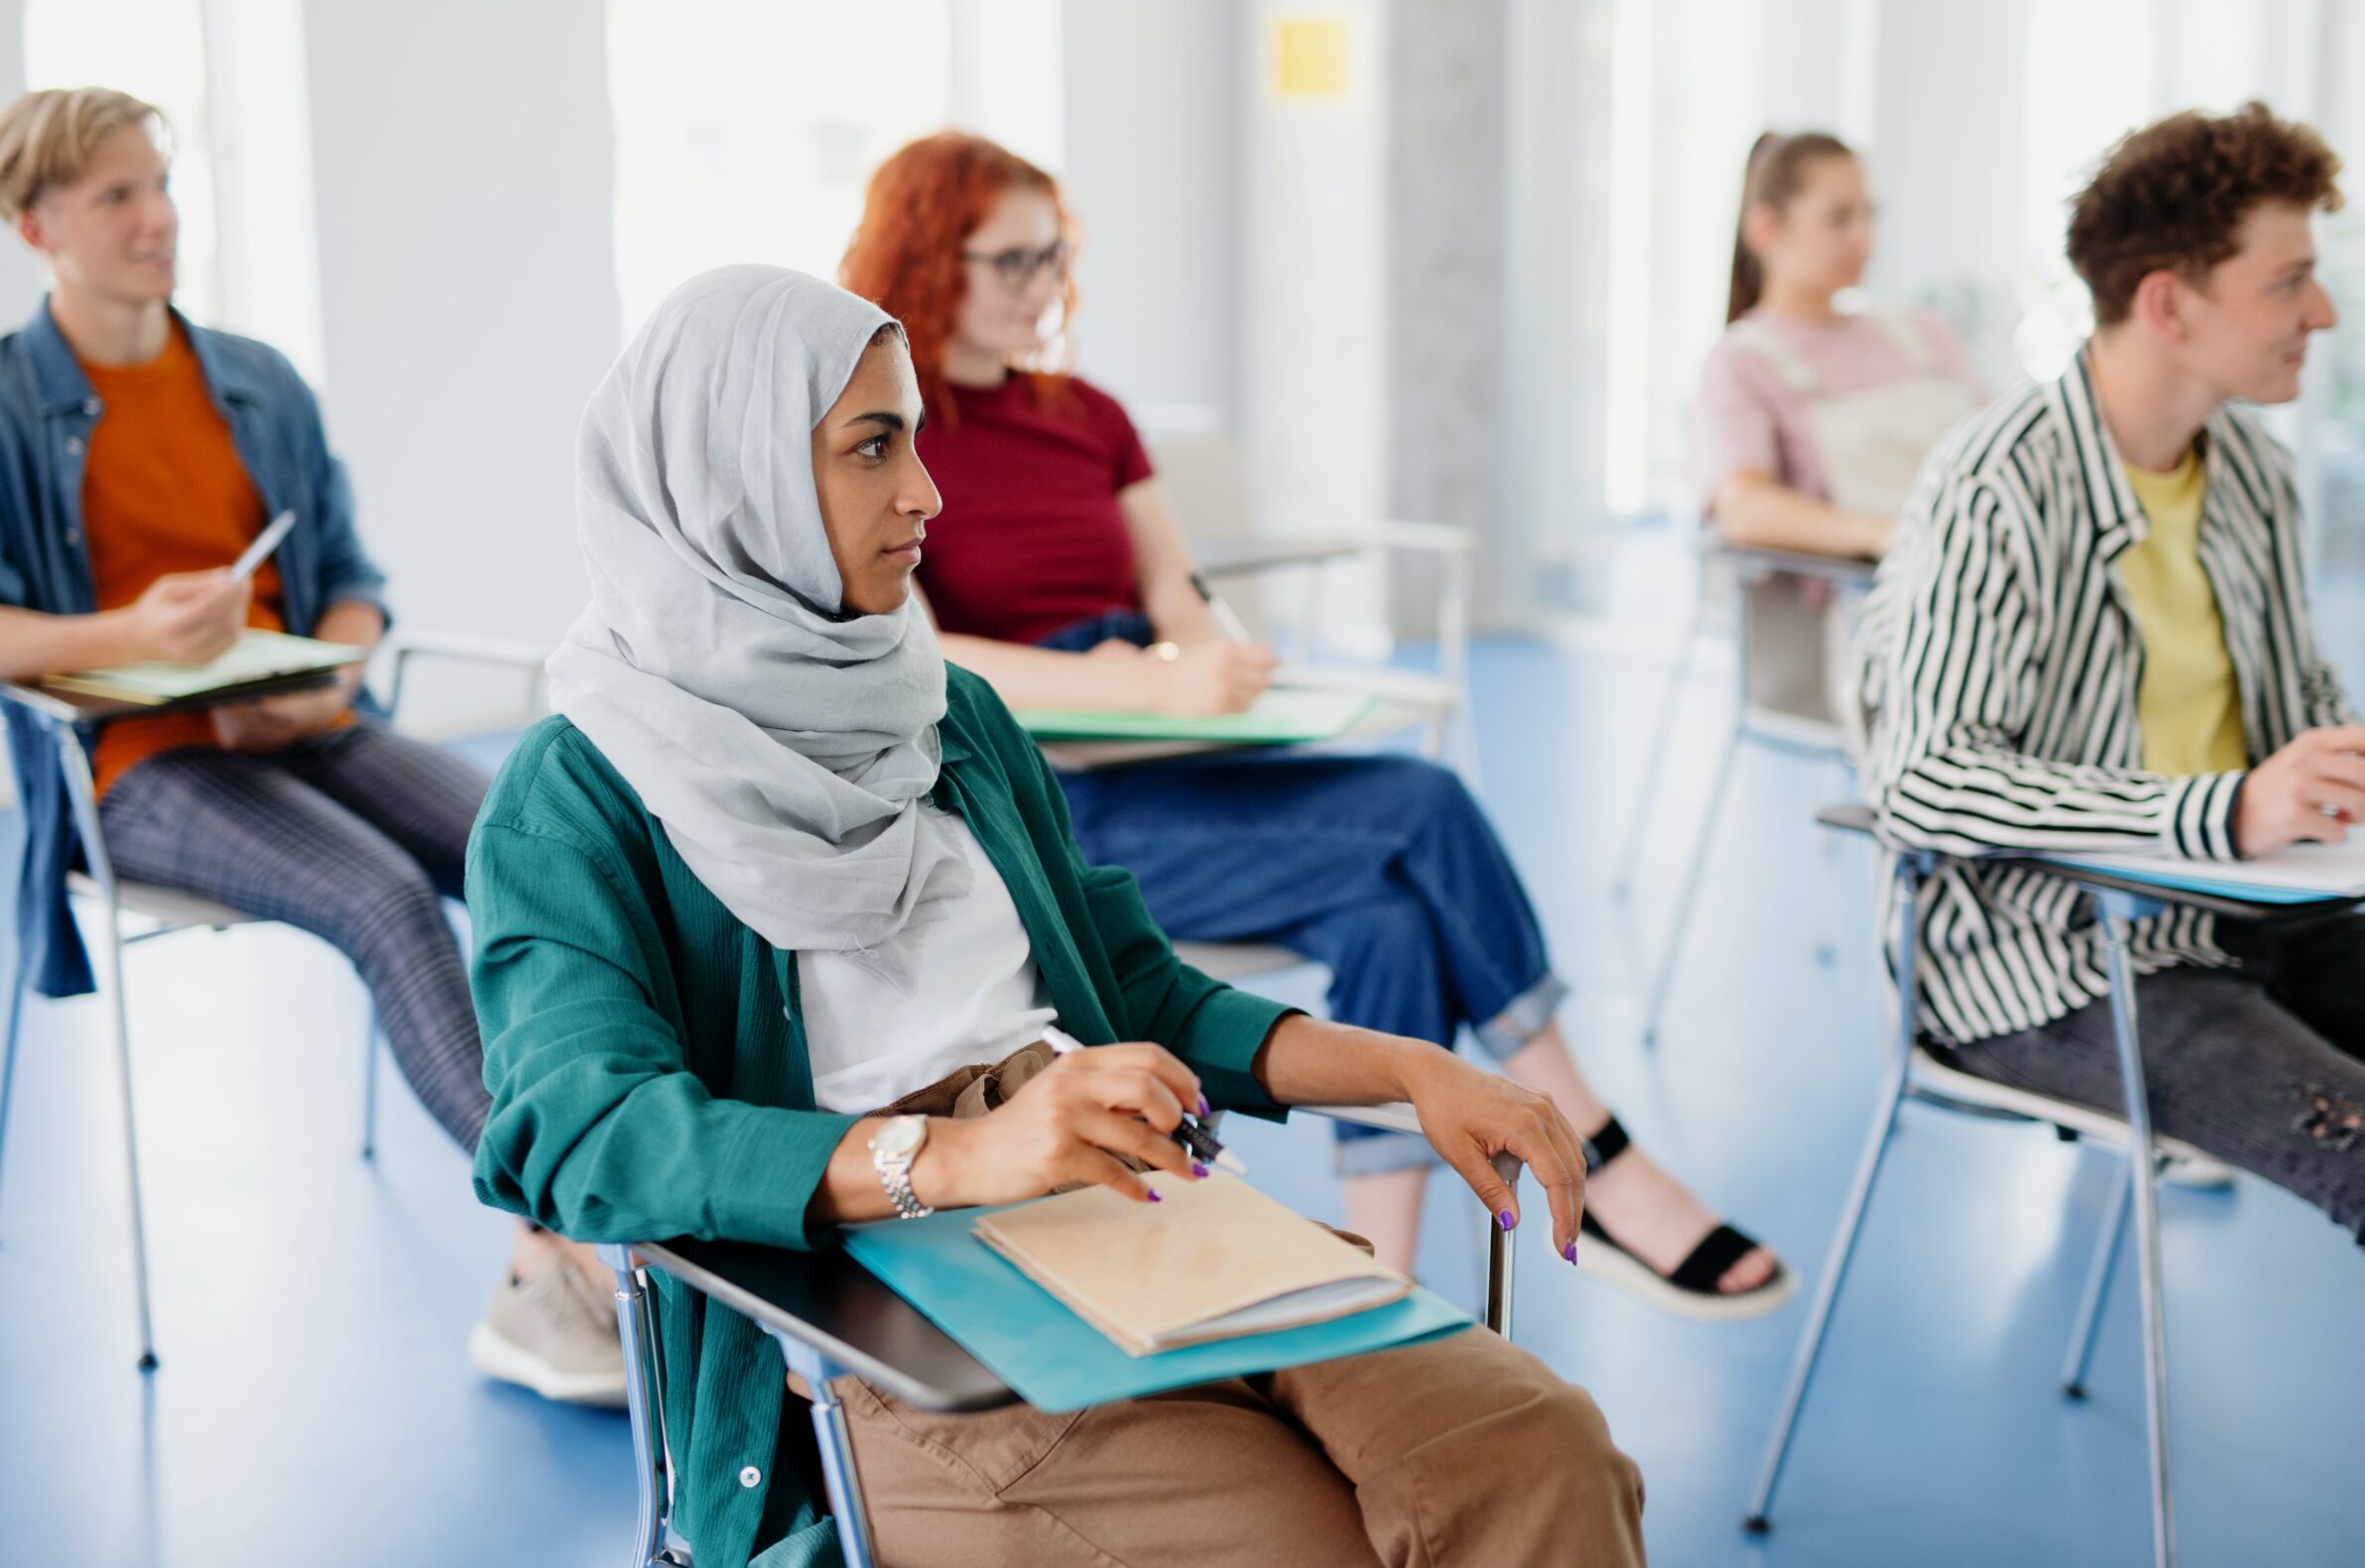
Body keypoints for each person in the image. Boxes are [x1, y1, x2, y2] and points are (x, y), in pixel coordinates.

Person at [467, 265, 1649, 1567]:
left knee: (1546, 1451)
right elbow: (574, 1132)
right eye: (873, 446)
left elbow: (1141, 994)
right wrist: (956, 1156)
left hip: (1146, 1217)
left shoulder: (946, 710)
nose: (925, 490)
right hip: (888, 1323)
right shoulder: (577, 791)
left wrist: (1409, 1067)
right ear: (729, 477)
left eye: (913, 435)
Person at [835, 130, 1789, 1315]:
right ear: (928, 259)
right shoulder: (889, 433)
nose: (1044, 284)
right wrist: (1145, 684)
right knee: (1423, 806)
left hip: (1170, 770)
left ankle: (1383, 1285)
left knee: (1390, 916)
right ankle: (1591, 1142)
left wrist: (1208, 655)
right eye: (1012, 259)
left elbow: (1174, 591)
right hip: (1041, 809)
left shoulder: (1092, 416)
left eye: (1055, 254)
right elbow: (914, 656)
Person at [1857, 101, 2365, 1529]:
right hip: (2045, 963)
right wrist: (2230, 809)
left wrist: (2360, 782)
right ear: (2169, 302)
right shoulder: (1998, 482)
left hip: (2258, 921)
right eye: (2288, 280)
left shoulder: (2256, 479)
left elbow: (2288, 711)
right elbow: (1923, 773)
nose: (2325, 309)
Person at [0, 87, 619, 1404]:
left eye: (158, 182)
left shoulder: (255, 377)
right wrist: (133, 635)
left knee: (544, 845)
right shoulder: (6, 406)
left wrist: (323, 668)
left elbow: (350, 577)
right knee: (387, 900)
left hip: (301, 724)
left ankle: (623, 1158)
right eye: (115, 194)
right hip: (133, 768)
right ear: (31, 222)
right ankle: (563, 1232)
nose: (155, 216)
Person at [1691, 130, 1988, 561]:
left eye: (1870, 215)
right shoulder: (1740, 364)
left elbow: (2001, 450)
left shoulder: (1927, 333)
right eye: (1839, 218)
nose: (1863, 237)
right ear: (1766, 229)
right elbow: (1744, 509)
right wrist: (1886, 535)